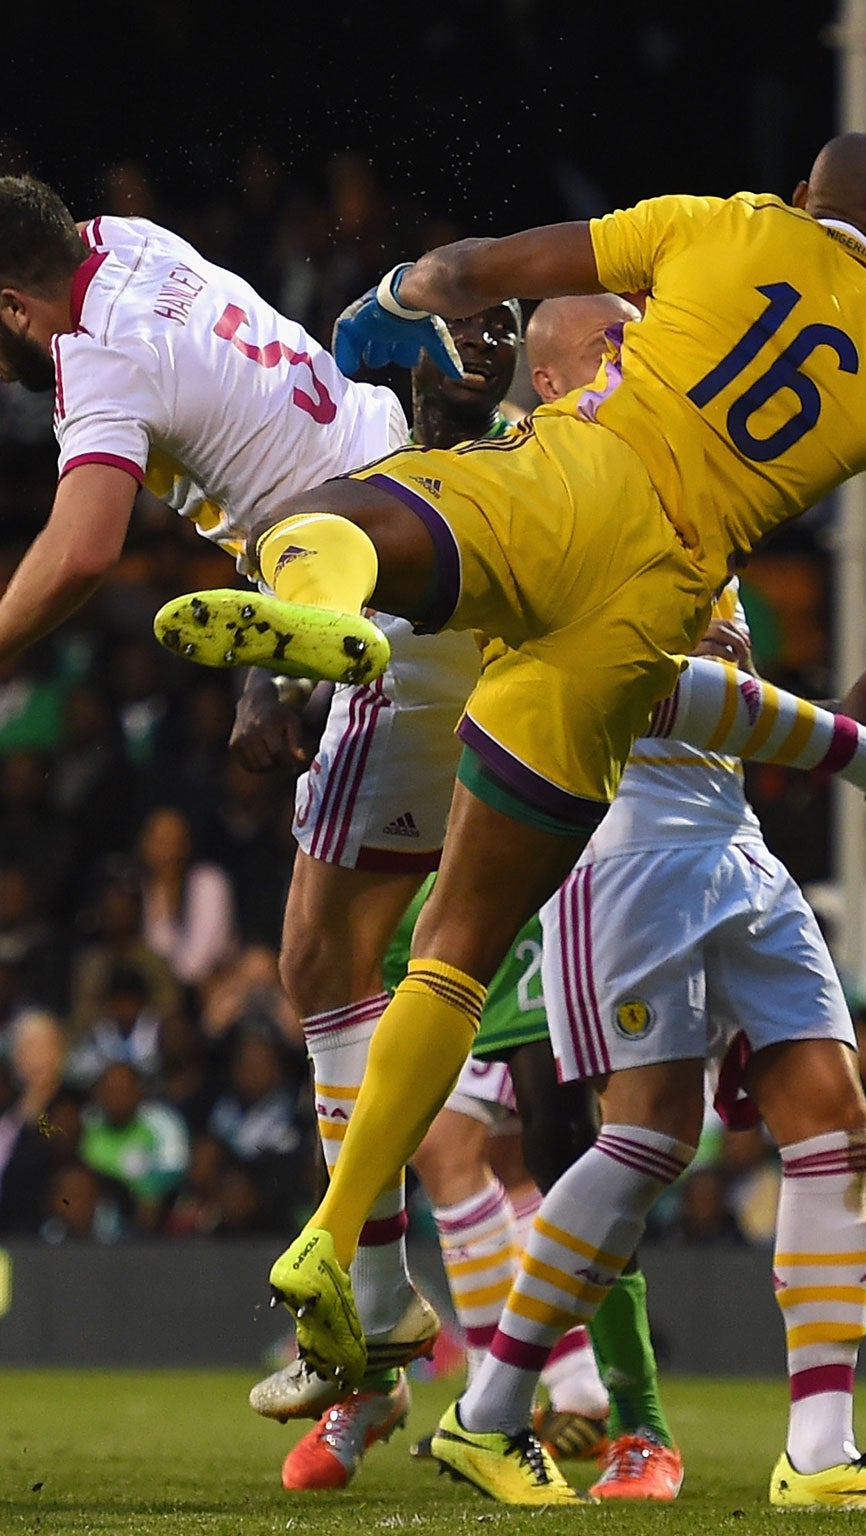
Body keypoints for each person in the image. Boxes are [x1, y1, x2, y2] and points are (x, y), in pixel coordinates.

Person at [146, 134, 866, 1402]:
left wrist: (398, 295)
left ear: (798, 202)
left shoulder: (705, 252)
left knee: (315, 528)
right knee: (546, 1068)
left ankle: (432, 1322)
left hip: (566, 628)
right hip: (622, 693)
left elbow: (468, 271)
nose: (613, 341)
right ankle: (431, 1320)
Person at [427, 291, 866, 1506]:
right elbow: (652, 698)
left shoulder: (679, 487)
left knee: (835, 1119)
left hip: (731, 843)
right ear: (557, 376)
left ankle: (818, 1455)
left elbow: (723, 713)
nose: (644, 346)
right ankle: (494, 1409)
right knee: (646, 1138)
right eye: (617, 337)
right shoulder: (551, 486)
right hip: (611, 851)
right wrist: (862, 755)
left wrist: (844, 724)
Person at [0, 174, 482, 1390]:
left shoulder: (89, 354)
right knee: (350, 961)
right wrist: (275, 639)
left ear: (13, 306)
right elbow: (260, 427)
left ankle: (419, 1329)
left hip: (381, 590)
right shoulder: (135, 245)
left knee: (338, 965)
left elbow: (83, 547)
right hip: (402, 510)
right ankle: (381, 1311)